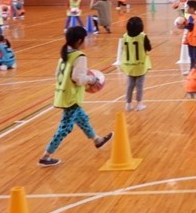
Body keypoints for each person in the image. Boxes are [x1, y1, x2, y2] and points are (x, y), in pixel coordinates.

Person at [38, 26, 113, 167]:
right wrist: (92, 80)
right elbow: (78, 78)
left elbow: (57, 75)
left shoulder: (64, 56)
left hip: (62, 93)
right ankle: (46, 156)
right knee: (65, 127)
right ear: (79, 41)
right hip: (71, 97)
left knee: (82, 118)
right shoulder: (79, 56)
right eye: (85, 39)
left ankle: (97, 140)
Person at [120, 16, 152, 111]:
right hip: (140, 65)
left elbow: (123, 49)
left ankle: (128, 104)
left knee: (130, 85)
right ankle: (139, 104)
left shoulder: (124, 36)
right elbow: (149, 48)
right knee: (139, 86)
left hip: (128, 65)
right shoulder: (143, 36)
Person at [183, 0, 196, 70]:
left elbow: (190, 27)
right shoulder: (195, 16)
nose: (186, 8)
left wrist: (183, 26)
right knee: (193, 54)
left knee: (193, 55)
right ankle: (193, 69)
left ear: (192, 8)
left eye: (187, 7)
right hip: (194, 38)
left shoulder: (191, 17)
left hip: (192, 39)